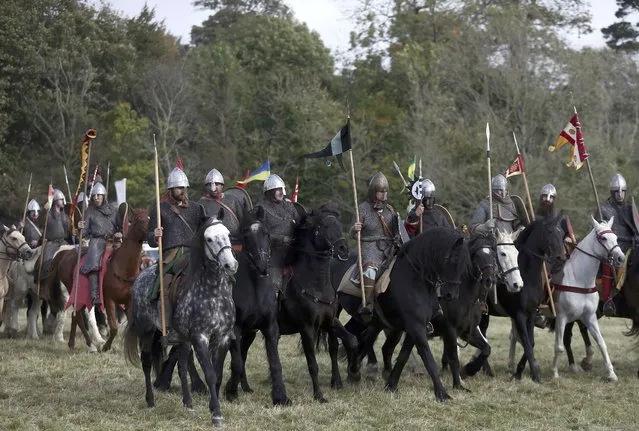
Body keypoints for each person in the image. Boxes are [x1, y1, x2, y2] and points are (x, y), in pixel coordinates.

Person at [148, 167, 207, 345]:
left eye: (184, 187)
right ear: (170, 190)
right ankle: (172, 328)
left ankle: (222, 320)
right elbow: (149, 239)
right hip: (170, 255)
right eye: (178, 188)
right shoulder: (160, 209)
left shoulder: (196, 208)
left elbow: (205, 228)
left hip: (193, 253)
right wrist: (155, 235)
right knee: (165, 285)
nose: (182, 191)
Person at [350, 172, 399, 319]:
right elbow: (352, 232)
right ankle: (368, 303)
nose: (384, 195)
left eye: (385, 192)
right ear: (373, 192)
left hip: (389, 247)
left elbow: (397, 230)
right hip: (369, 245)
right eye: (380, 192)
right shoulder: (363, 209)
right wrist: (355, 229)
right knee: (370, 269)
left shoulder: (390, 210)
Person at [597, 173, 639, 316]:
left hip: (632, 247)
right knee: (610, 265)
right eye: (616, 191)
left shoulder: (629, 209)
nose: (620, 194)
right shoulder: (604, 209)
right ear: (612, 192)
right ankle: (609, 300)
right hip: (613, 248)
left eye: (622, 191)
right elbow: (601, 232)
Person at [77, 182, 123, 309]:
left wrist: (120, 233)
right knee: (93, 264)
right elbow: (84, 234)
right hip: (97, 241)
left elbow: (121, 227)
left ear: (104, 196)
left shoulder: (113, 210)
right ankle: (95, 294)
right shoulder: (90, 211)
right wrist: (80, 228)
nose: (96, 197)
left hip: (113, 241)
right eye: (94, 195)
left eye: (99, 195)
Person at [254, 174, 301, 297]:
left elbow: (300, 223)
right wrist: (280, 238)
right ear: (270, 192)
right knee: (275, 284)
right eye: (277, 190)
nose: (281, 193)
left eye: (282, 189)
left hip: (293, 251)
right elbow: (258, 233)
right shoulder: (260, 208)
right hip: (272, 254)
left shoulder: (289, 206)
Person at [198, 168, 246, 250]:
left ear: (222, 185)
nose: (213, 187)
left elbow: (243, 222)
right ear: (206, 186)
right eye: (210, 184)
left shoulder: (232, 200)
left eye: (217, 184)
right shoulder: (201, 203)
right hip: (215, 248)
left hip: (237, 244)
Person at [37, 189, 71, 282]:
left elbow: (68, 231)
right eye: (61, 199)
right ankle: (44, 282)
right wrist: (44, 211)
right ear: (55, 200)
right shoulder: (48, 214)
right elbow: (40, 223)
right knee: (46, 262)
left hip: (63, 242)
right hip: (51, 243)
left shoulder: (65, 216)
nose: (64, 202)